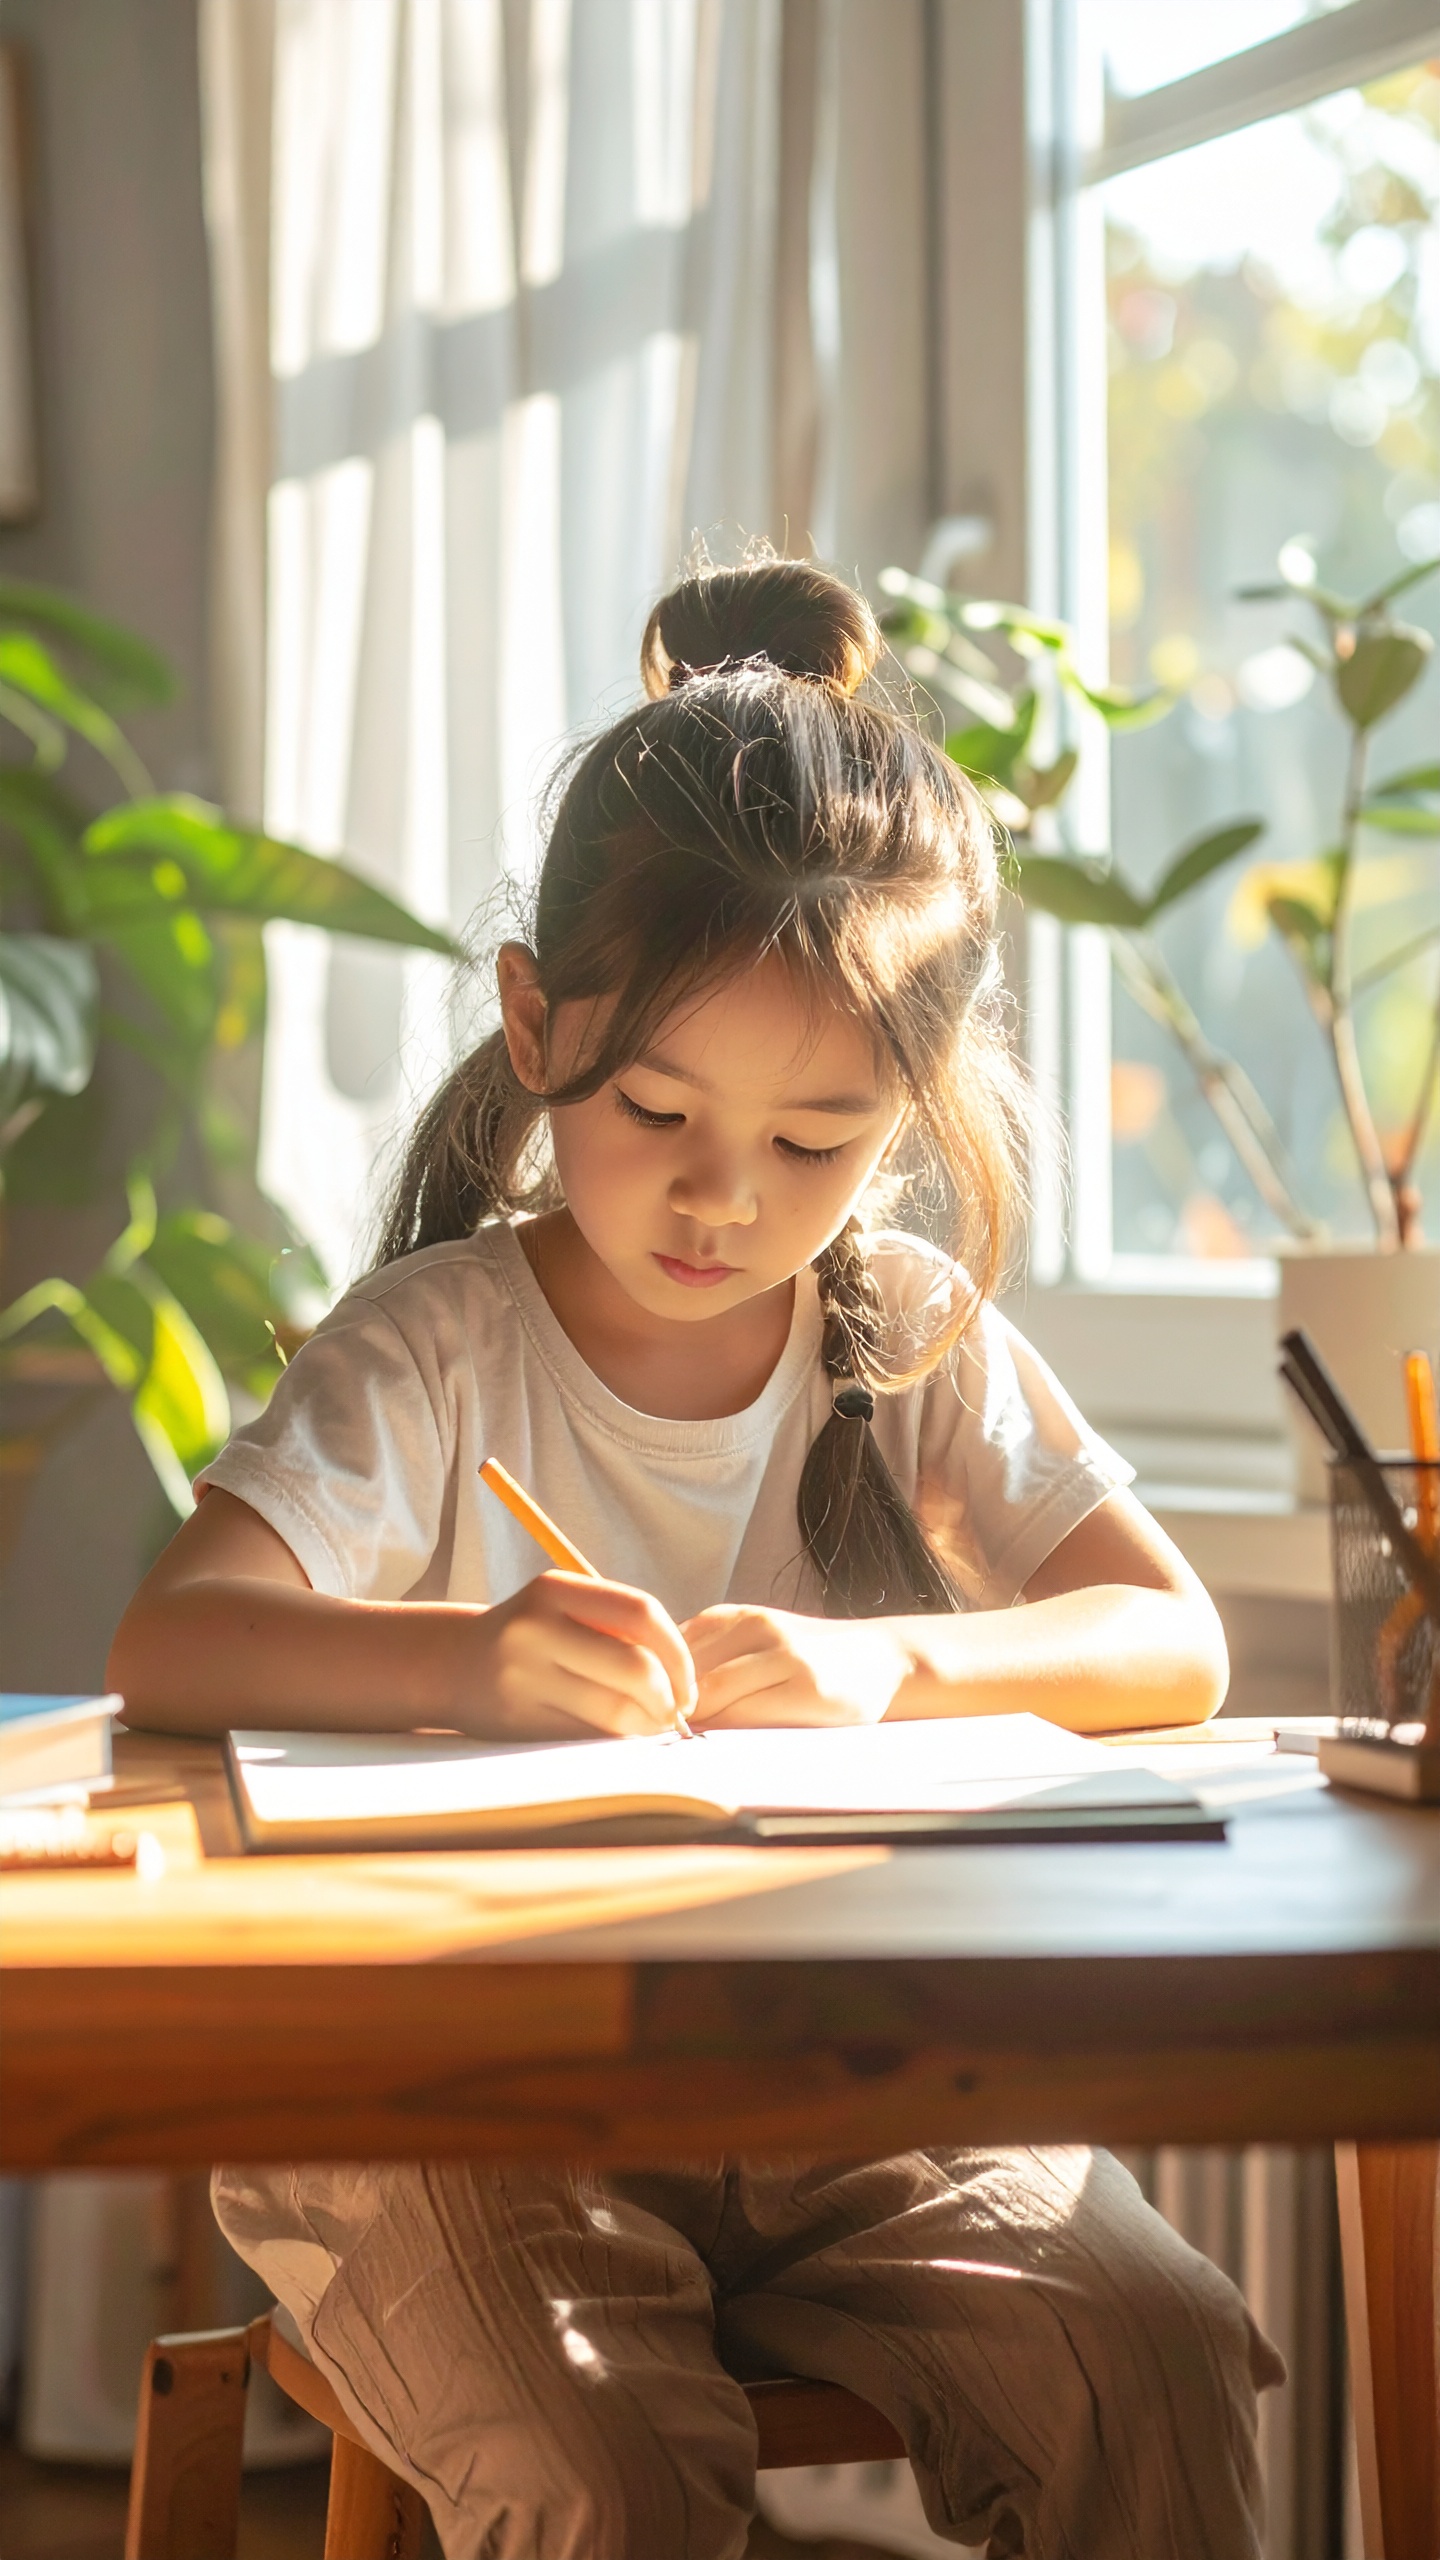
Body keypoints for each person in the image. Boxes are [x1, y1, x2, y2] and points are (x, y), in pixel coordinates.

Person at [110, 558, 1282, 2560]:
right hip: (445, 2102)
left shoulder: (895, 1328)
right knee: (606, 2473)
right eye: (659, 1108)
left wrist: (890, 1670)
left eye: (819, 1140)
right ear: (535, 1021)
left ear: (902, 1124)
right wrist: (463, 1663)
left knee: (1148, 2356)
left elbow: (1168, 1640)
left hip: (832, 2079)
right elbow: (174, 1641)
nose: (728, 1198)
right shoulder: (444, 1339)